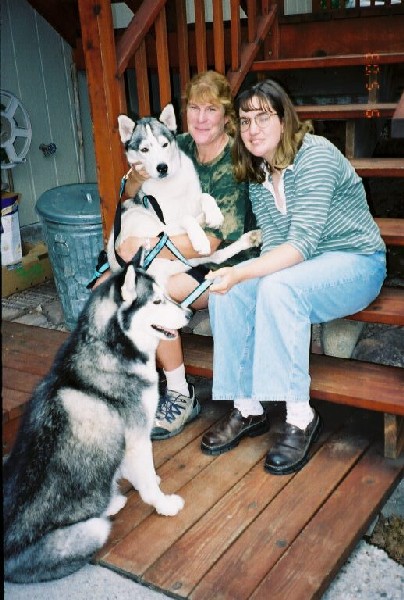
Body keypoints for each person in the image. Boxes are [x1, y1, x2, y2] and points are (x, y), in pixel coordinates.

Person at [201, 79, 386, 475]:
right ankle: (247, 407)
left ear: (283, 120)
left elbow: (300, 244)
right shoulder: (259, 172)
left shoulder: (315, 155)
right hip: (305, 267)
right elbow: (274, 246)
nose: (252, 129)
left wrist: (239, 270)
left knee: (276, 286)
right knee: (228, 293)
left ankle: (300, 416)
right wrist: (239, 279)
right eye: (245, 120)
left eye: (262, 118)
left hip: (356, 261)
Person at [118, 71, 257, 440]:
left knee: (152, 293)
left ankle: (180, 393)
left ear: (226, 115)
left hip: (227, 262)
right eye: (194, 108)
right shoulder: (174, 143)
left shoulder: (233, 161)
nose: (201, 118)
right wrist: (134, 182)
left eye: (211, 109)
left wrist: (147, 247)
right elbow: (130, 189)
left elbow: (212, 241)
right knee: (109, 283)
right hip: (179, 250)